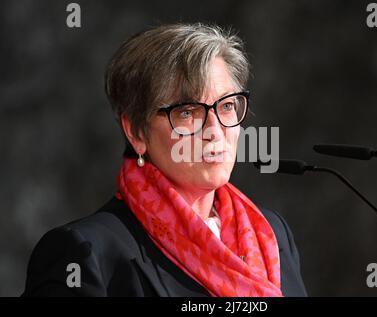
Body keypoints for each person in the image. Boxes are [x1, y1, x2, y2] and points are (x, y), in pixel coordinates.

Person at [22, 23, 307, 297]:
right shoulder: (86, 252)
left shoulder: (271, 233)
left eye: (227, 105)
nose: (214, 130)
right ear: (136, 132)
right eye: (187, 112)